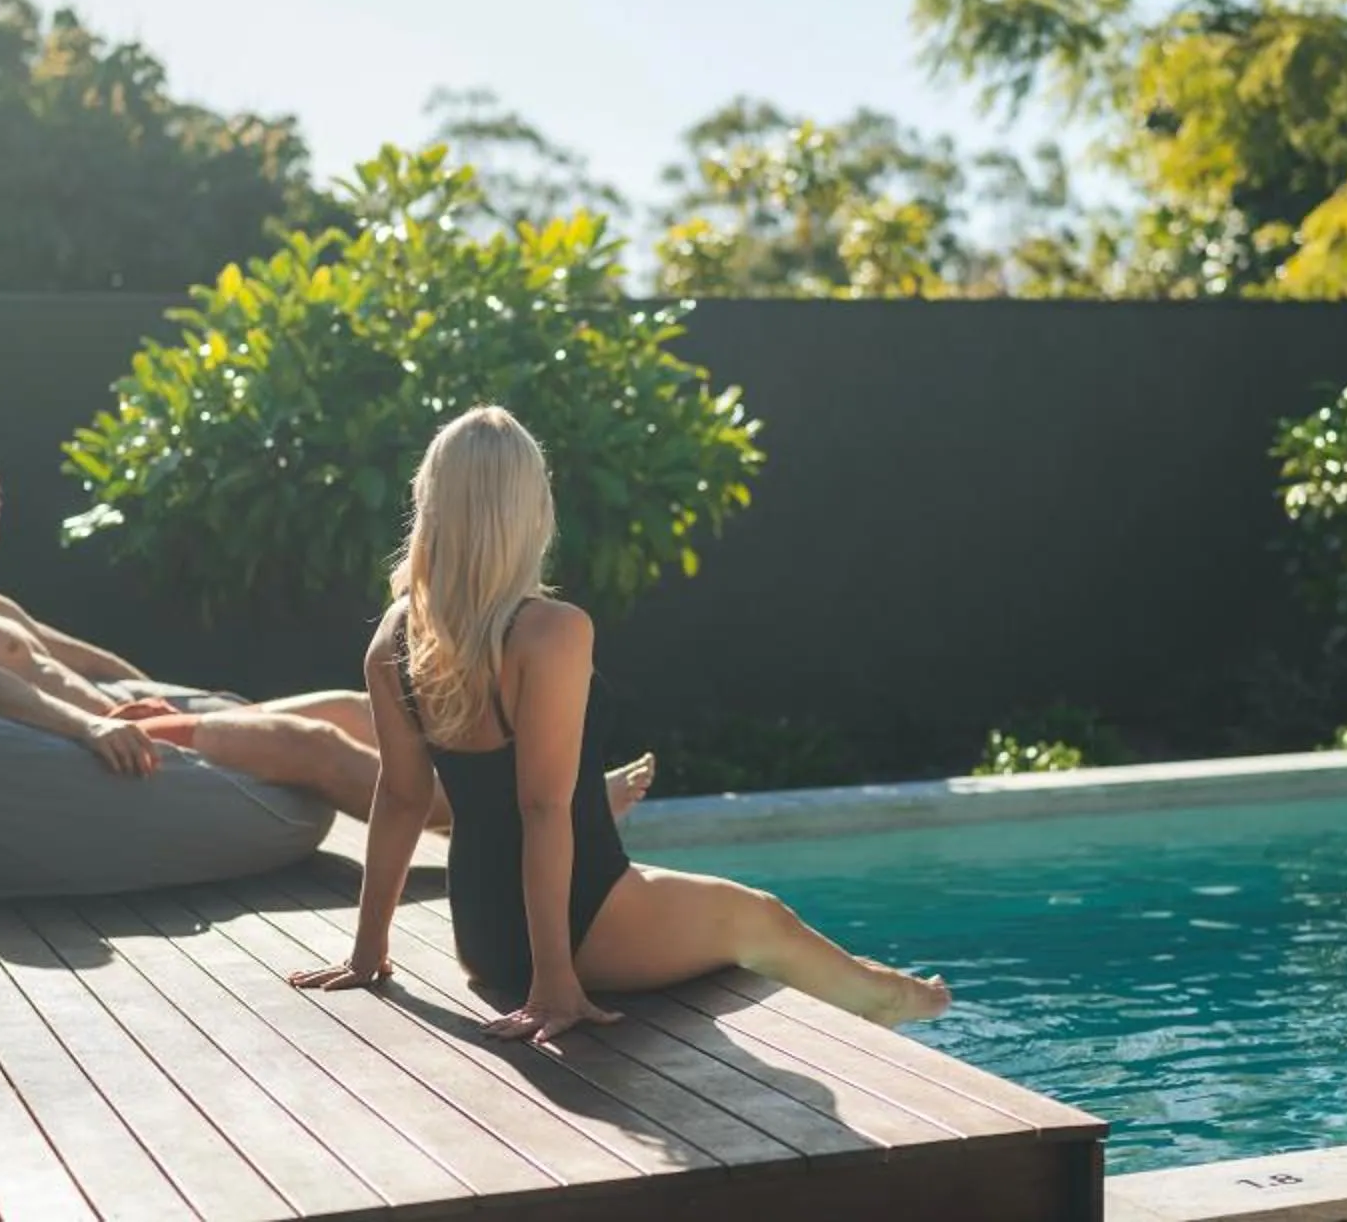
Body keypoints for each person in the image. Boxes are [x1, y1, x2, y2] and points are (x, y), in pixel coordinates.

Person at [286, 407, 949, 1045]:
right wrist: (554, 982)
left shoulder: (398, 634)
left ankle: (869, 983)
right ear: (529, 508)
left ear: (431, 503)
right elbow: (543, 809)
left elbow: (401, 799)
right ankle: (886, 997)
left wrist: (368, 952)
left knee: (740, 920)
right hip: (583, 924)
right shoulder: (551, 631)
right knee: (764, 918)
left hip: (482, 934)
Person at [0, 452, 657, 824]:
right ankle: (522, 816)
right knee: (313, 744)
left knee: (351, 707)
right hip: (102, 748)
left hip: (137, 721)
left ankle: (528, 791)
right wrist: (92, 726)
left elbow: (88, 660)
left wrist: (176, 699)